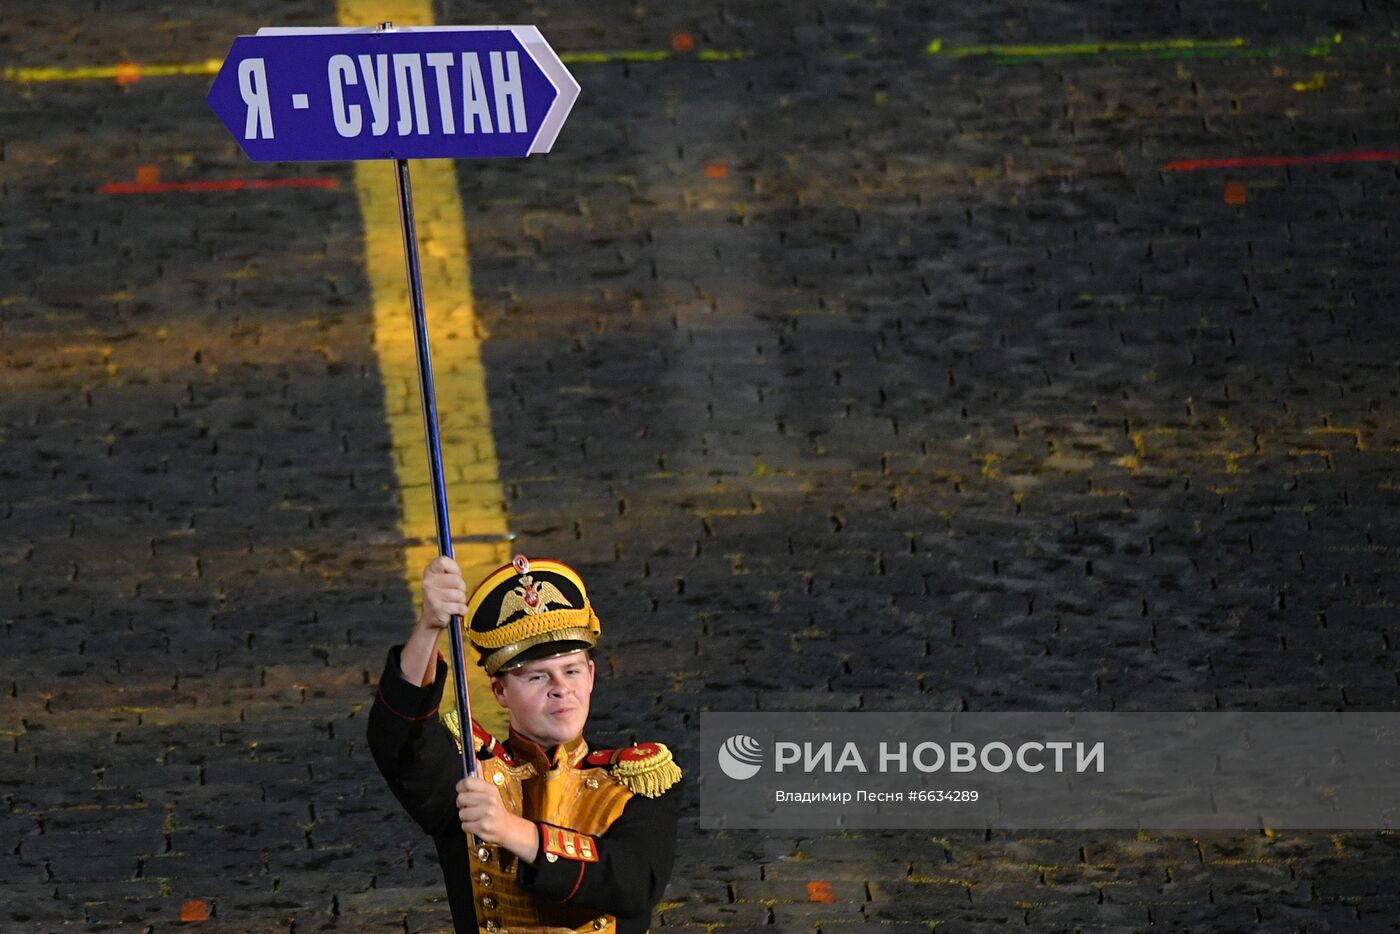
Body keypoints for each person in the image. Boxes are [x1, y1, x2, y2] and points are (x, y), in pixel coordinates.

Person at [368, 554, 682, 934]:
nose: (561, 690)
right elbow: (399, 738)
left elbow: (633, 884)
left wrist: (510, 830)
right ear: (500, 691)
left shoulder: (637, 780)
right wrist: (429, 627)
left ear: (592, 676)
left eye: (571, 670)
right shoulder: (471, 770)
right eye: (536, 678)